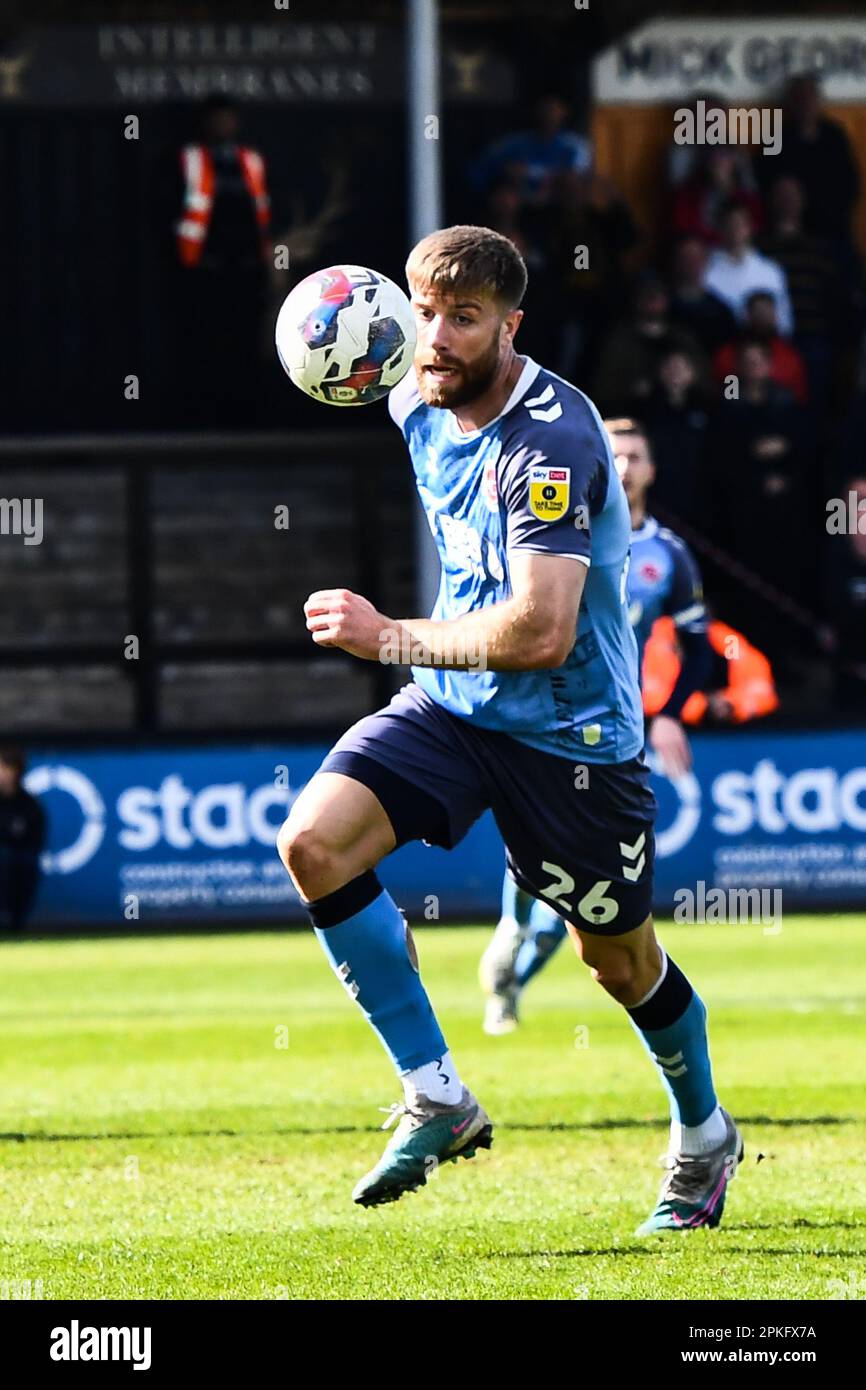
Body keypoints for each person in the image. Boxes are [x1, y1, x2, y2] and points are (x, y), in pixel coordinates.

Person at [276, 227, 742, 1235]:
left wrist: (387, 635)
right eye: (423, 312)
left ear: (509, 325)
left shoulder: (553, 441)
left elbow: (539, 630)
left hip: (570, 740)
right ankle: (436, 1094)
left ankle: (702, 1136)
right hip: (452, 708)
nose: (434, 339)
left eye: (464, 319)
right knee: (313, 841)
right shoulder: (406, 387)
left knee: (614, 962)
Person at [480, 419, 711, 1035]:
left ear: (652, 470)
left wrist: (665, 714)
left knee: (589, 893)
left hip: (609, 728)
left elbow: (702, 650)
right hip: (536, 713)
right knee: (535, 852)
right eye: (616, 455)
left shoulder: (669, 556)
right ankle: (513, 922)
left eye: (637, 455)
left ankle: (511, 983)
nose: (627, 466)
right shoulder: (551, 530)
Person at [703, 200, 793, 336]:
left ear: (750, 227)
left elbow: (784, 323)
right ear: (719, 227)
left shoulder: (770, 271)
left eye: (740, 223)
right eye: (729, 224)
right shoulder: (705, 269)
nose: (735, 229)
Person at [713, 291, 809, 403]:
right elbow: (728, 397)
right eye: (758, 312)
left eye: (767, 312)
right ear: (747, 315)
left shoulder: (788, 354)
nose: (763, 318)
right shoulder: (729, 353)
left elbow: (797, 395)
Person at [0, 748, 46, 932]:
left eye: (5, 768)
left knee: (19, 862)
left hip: (20, 860)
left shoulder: (29, 805)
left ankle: (13, 921)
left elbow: (36, 840)